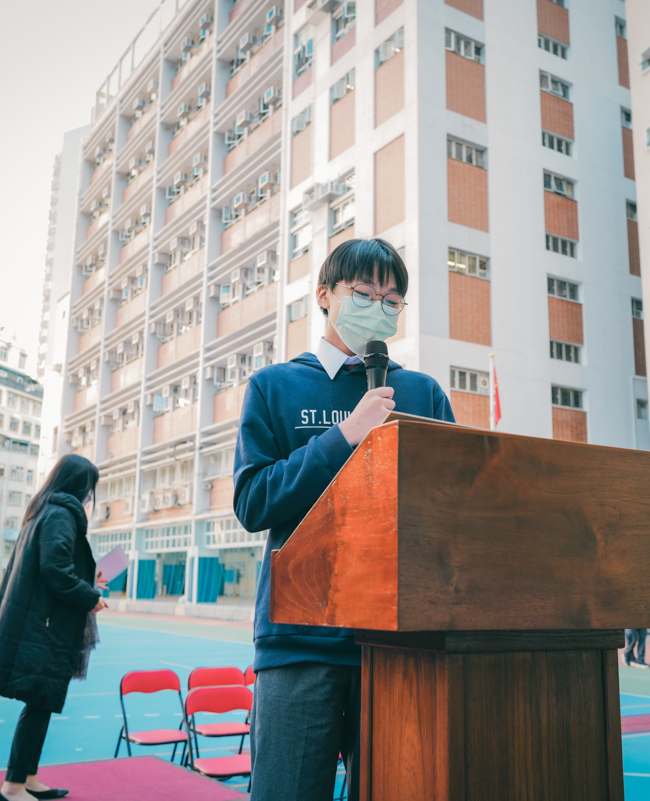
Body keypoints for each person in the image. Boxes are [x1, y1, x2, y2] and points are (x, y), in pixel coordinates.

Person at [234, 238, 455, 801]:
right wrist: (345, 435)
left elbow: (454, 509)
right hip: (301, 639)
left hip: (404, 643)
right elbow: (254, 503)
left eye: (391, 300)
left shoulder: (422, 392)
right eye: (363, 293)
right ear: (324, 296)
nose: (378, 307)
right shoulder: (274, 386)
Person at [0, 454, 108, 801]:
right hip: (44, 629)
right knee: (39, 701)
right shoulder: (61, 514)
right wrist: (90, 597)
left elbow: (52, 566)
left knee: (41, 702)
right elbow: (56, 572)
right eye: (89, 489)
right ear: (80, 486)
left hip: (38, 624)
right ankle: (12, 788)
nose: (89, 497)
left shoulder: (45, 510)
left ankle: (27, 778)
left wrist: (88, 580)